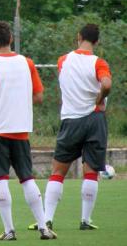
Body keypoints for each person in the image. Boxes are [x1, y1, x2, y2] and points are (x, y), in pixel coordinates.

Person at [0, 21, 56, 240]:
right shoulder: (27, 63)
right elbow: (38, 97)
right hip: (21, 130)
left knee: (0, 179)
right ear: (10, 39)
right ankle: (43, 227)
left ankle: (10, 230)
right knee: (27, 178)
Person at [28, 24, 112, 231]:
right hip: (95, 118)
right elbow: (107, 84)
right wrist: (100, 98)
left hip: (71, 120)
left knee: (58, 170)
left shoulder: (63, 60)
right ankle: (85, 220)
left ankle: (47, 219)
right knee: (91, 170)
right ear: (97, 41)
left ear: (78, 36)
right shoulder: (99, 62)